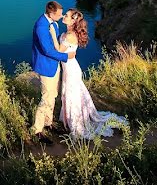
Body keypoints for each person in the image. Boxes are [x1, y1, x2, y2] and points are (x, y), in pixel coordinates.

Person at [50, 8, 128, 139]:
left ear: (73, 21)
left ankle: (75, 124)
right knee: (69, 94)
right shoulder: (68, 32)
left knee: (71, 95)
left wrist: (52, 33)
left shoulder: (70, 36)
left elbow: (58, 50)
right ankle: (69, 121)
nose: (64, 16)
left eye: (67, 16)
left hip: (71, 70)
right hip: (69, 68)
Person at [30, 0, 69, 141]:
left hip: (54, 64)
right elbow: (47, 50)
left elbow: (55, 44)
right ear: (51, 13)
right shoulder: (41, 26)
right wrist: (66, 56)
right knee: (46, 97)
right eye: (59, 14)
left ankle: (48, 122)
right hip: (46, 66)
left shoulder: (54, 23)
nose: (61, 15)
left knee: (53, 95)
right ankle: (37, 130)